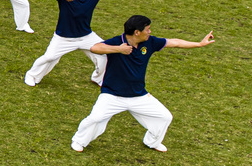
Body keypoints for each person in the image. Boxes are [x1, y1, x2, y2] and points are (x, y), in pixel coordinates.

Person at [70, 16, 215, 153]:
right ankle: (79, 141)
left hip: (139, 96)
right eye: (148, 29)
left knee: (164, 117)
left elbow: (174, 42)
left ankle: (152, 142)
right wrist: (119, 49)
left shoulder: (150, 42)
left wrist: (199, 44)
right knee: (95, 118)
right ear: (137, 32)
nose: (150, 32)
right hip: (112, 95)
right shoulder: (117, 42)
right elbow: (95, 48)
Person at [24, 0, 144, 87]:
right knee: (49, 57)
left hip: (87, 36)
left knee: (105, 54)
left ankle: (98, 78)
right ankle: (31, 75)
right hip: (64, 38)